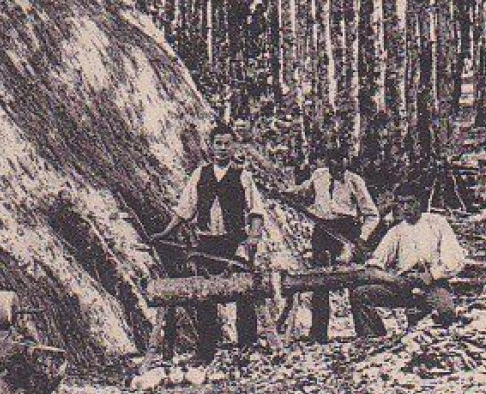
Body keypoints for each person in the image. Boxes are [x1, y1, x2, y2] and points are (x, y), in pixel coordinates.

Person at [151, 123, 268, 362]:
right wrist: (164, 233)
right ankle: (205, 351)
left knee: (243, 292)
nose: (223, 148)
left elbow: (256, 211)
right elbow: (185, 210)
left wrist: (254, 237)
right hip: (206, 243)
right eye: (218, 143)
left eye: (227, 144)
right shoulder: (200, 174)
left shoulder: (243, 176)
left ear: (233, 146)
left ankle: (246, 347)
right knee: (204, 296)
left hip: (234, 242)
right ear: (211, 146)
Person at [286, 146, 380, 343]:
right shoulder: (319, 176)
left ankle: (365, 330)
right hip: (322, 230)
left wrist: (361, 239)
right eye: (334, 165)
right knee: (319, 279)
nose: (338, 170)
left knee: (353, 278)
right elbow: (305, 192)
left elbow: (372, 215)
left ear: (346, 163)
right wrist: (288, 192)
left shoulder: (355, 181)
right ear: (328, 164)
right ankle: (318, 333)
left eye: (342, 165)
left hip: (347, 230)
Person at [349, 185, 466, 338]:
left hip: (433, 282)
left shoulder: (437, 223)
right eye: (401, 203)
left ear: (420, 202)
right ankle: (375, 339)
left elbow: (454, 258)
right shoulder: (397, 231)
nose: (405, 208)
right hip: (404, 284)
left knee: (446, 312)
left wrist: (433, 275)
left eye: (410, 203)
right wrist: (388, 277)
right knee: (361, 295)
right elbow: (377, 260)